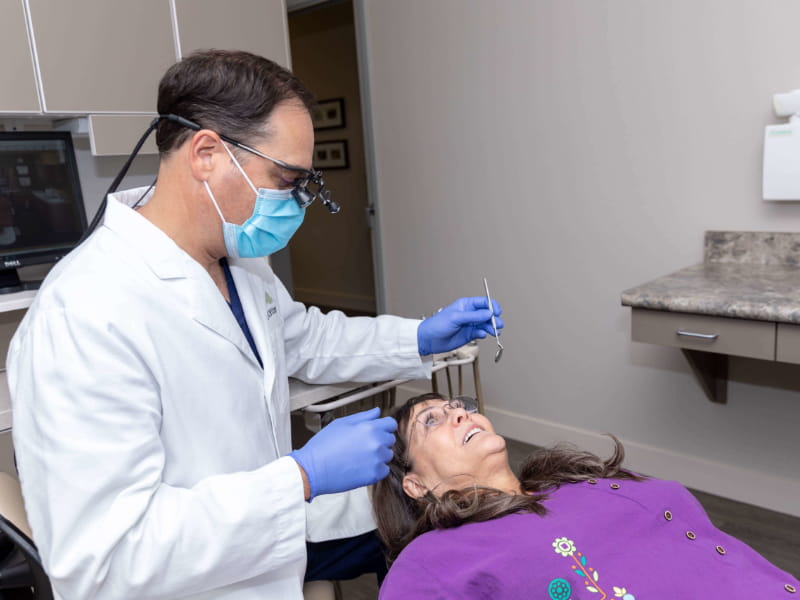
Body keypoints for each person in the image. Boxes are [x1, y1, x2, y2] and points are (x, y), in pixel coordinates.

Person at [5, 50, 504, 600]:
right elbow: (103, 558)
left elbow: (302, 339)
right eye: (284, 178)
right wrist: (300, 478)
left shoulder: (237, 262)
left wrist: (418, 337)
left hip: (261, 559)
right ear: (206, 153)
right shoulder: (84, 315)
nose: (295, 201)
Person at [374, 393, 800, 599]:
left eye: (458, 405)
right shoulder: (433, 561)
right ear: (414, 484)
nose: (461, 413)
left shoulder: (576, 481)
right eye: (433, 421)